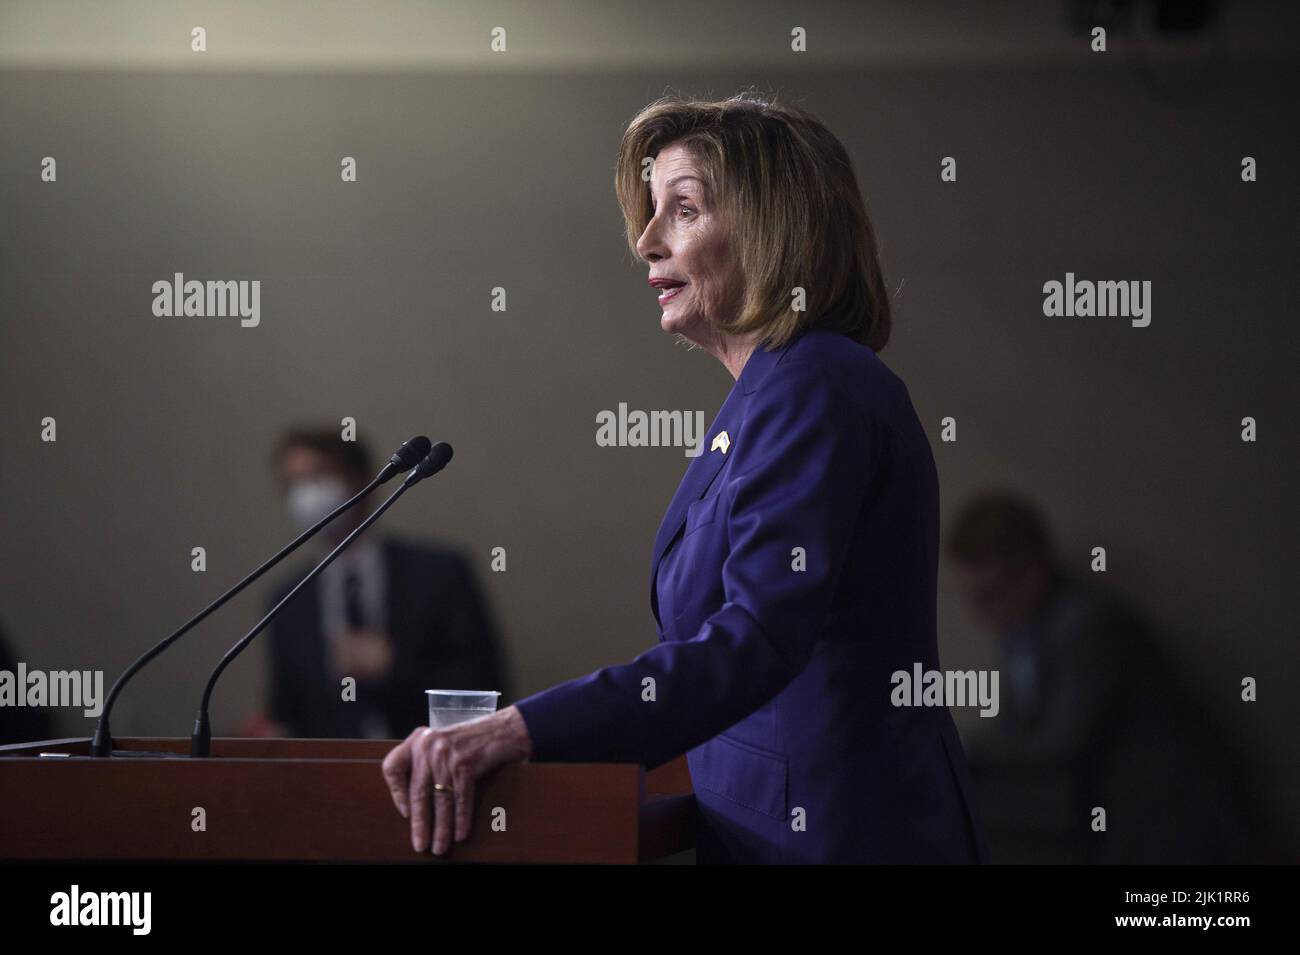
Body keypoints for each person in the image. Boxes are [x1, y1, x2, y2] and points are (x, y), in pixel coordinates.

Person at [381, 92, 988, 863]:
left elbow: (757, 638)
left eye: (684, 209)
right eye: (648, 211)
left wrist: (521, 728)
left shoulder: (817, 382)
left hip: (841, 833)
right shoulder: (768, 392)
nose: (645, 241)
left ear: (773, 229)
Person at [949, 490, 1253, 863]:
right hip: (1104, 815)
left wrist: (962, 748)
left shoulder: (1089, 623)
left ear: (1034, 570)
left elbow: (1060, 743)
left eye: (990, 595)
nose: (980, 614)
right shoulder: (1023, 630)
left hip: (1166, 825)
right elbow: (1014, 728)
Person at [262, 427, 507, 740]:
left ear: (362, 479)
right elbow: (285, 713)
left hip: (430, 763)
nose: (307, 493)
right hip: (328, 776)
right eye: (294, 483)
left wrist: (394, 665)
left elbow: (486, 688)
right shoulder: (287, 598)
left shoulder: (440, 573)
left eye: (320, 475)